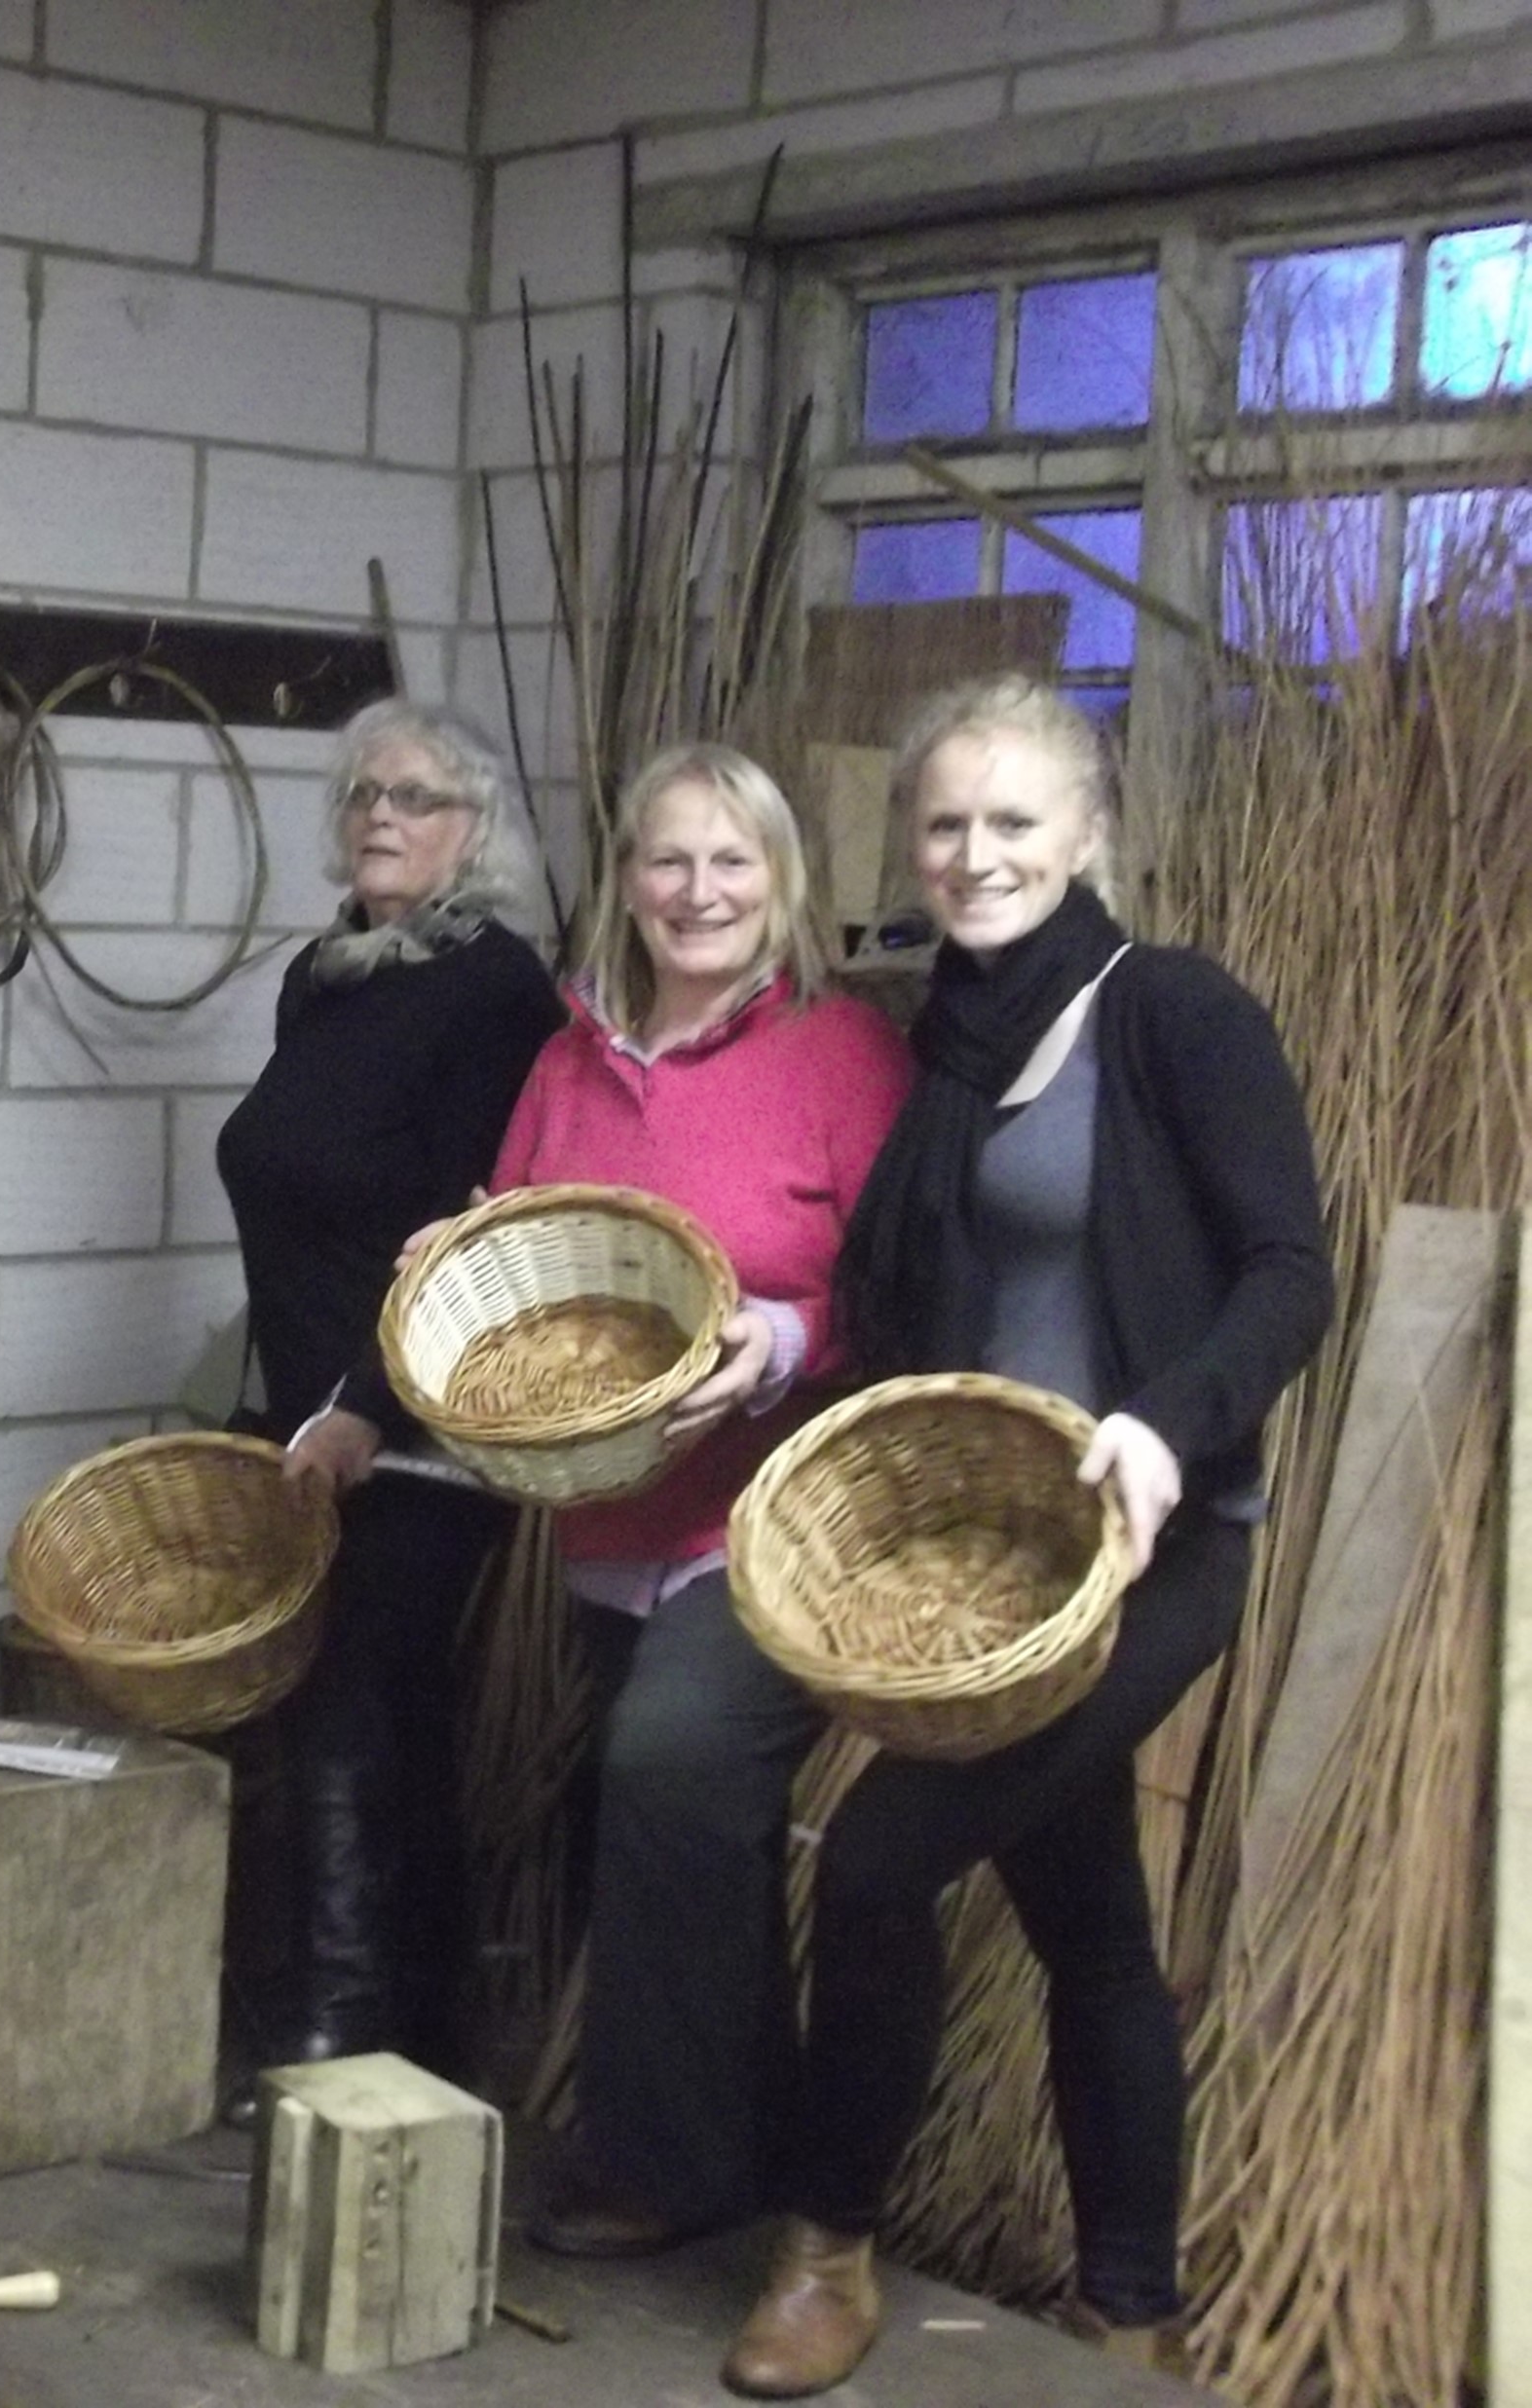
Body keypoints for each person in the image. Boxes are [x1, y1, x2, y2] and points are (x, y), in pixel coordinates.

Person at [722, 679, 1330, 2397]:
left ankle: (822, 2252)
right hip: (984, 1566)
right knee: (1090, 1927)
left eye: (1009, 823)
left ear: (1086, 833)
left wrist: (1161, 1420)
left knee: (875, 1860)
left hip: (1149, 1543)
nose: (972, 856)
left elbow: (1291, 1271)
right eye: (942, 824)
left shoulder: (1172, 1015)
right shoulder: (945, 1034)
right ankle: (1132, 2296)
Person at [462, 744, 915, 2263]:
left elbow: (896, 1290)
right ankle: (760, 2145)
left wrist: (780, 1341)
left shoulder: (844, 1054)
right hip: (603, 1511)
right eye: (669, 860)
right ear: (627, 882)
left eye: (733, 861)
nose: (699, 890)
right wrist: (450, 1282)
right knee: (676, 1820)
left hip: (773, 1513)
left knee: (670, 1764)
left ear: (781, 882)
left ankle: (669, 2168)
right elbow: (514, 1253)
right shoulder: (563, 1064)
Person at [213, 699, 564, 2088]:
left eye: (414, 797)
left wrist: (367, 1398)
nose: (379, 815)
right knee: (367, 1715)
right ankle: (418, 2028)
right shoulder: (326, 974)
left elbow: (468, 1225)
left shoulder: (494, 988)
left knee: (358, 1700)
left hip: (418, 1424)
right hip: (306, 1413)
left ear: (471, 829)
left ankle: (350, 2018)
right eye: (363, 792)